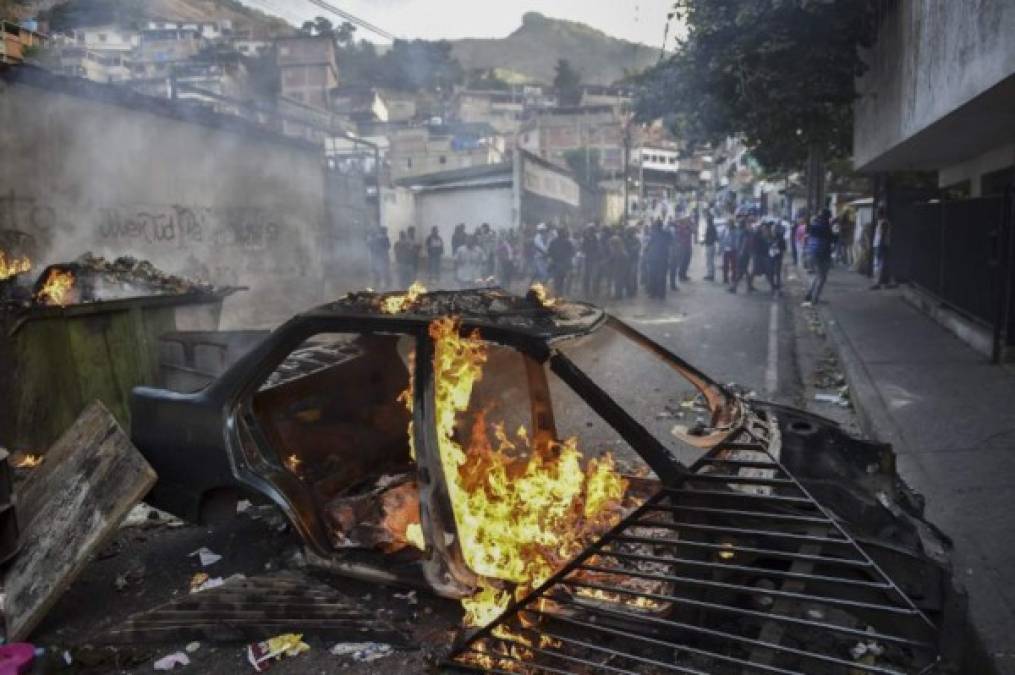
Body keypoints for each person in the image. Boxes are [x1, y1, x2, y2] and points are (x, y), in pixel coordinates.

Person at [804, 209, 834, 305]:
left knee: (817, 275)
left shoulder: (813, 225)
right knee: (822, 277)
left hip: (811, 253)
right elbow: (832, 240)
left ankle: (809, 294)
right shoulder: (826, 227)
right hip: (822, 254)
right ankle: (814, 299)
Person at [644, 220, 673, 299]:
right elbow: (671, 244)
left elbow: (648, 246)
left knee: (654, 276)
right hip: (662, 258)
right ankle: (660, 294)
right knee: (661, 277)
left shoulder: (654, 234)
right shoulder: (666, 234)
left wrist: (646, 252)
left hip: (655, 258)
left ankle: (654, 293)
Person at [870, 207, 895, 289]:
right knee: (880, 264)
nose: (875, 215)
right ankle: (882, 282)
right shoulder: (881, 222)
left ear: (879, 214)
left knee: (880, 265)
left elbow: (882, 236)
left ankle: (878, 283)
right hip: (880, 245)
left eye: (876, 213)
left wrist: (880, 247)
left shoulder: (884, 222)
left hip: (881, 246)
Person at [548, 227, 575, 294]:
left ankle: (558, 293)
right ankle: (559, 293)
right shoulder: (567, 242)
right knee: (561, 280)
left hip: (557, 263)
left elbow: (549, 252)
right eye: (564, 232)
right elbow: (572, 253)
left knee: (558, 280)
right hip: (562, 264)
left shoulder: (553, 242)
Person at [605, 228, 628, 300]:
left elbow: (612, 258)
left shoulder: (619, 251)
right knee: (618, 282)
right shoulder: (620, 250)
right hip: (619, 268)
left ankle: (618, 295)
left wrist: (605, 262)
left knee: (618, 282)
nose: (610, 246)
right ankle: (618, 295)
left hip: (619, 268)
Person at [580, 224, 602, 298]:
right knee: (586, 277)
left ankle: (595, 292)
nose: (590, 232)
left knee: (595, 277)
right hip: (587, 259)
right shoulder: (585, 239)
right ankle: (587, 293)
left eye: (592, 230)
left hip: (595, 260)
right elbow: (582, 249)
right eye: (589, 230)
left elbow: (599, 249)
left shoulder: (596, 239)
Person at [623, 227, 641, 298]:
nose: (629, 233)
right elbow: (622, 247)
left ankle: (632, 290)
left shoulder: (635, 239)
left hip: (633, 259)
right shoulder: (625, 239)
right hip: (627, 260)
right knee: (628, 275)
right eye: (628, 232)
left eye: (630, 232)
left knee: (632, 275)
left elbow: (639, 246)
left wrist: (634, 249)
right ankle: (629, 290)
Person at [674, 216, 694, 282]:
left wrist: (690, 226)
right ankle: (681, 275)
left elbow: (694, 231)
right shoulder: (680, 227)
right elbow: (685, 234)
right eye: (687, 220)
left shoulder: (687, 227)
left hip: (688, 246)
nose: (688, 221)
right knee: (683, 261)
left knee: (687, 261)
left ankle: (684, 274)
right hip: (683, 247)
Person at [721, 218, 738, 284]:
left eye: (730, 223)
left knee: (733, 265)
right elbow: (722, 238)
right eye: (728, 223)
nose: (729, 224)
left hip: (733, 250)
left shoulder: (735, 230)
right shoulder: (725, 229)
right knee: (725, 265)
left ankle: (733, 277)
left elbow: (736, 240)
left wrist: (735, 247)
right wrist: (721, 247)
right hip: (726, 250)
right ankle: (725, 278)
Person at [702, 215, 718, 281]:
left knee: (709, 261)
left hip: (709, 245)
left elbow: (708, 238)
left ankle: (710, 275)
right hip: (712, 245)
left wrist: (704, 241)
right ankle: (711, 274)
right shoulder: (713, 227)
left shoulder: (709, 228)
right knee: (711, 261)